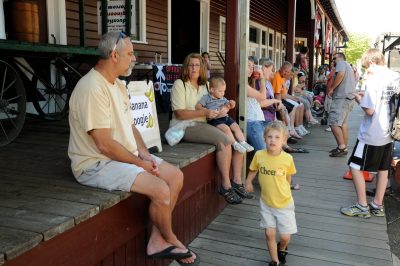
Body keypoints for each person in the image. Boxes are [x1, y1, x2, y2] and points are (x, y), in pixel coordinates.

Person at [68, 32, 199, 265]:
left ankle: (158, 239)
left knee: (176, 177)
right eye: (130, 53)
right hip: (96, 163)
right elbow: (104, 144)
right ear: (114, 55)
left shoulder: (117, 84)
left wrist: (145, 154)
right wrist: (140, 164)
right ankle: (172, 238)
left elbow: (130, 126)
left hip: (122, 157)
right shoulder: (91, 87)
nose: (134, 58)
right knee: (160, 189)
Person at [170, 53, 251, 204]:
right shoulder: (180, 84)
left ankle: (237, 182)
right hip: (185, 126)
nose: (194, 68)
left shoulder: (206, 85)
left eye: (197, 65)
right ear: (186, 67)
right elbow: (179, 113)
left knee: (240, 138)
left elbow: (216, 103)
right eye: (190, 65)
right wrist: (205, 112)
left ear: (202, 68)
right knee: (225, 140)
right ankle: (225, 186)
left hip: (207, 123)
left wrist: (225, 108)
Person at [341, 48, 400, 218]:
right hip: (390, 132)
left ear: (372, 63)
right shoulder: (396, 76)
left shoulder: (374, 79)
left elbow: (369, 110)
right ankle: (377, 204)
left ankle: (362, 206)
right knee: (383, 168)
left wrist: (360, 99)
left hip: (372, 132)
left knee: (354, 166)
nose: (367, 71)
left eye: (367, 67)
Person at [245, 121, 298, 266]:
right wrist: (248, 182)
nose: (272, 140)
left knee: (286, 236)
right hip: (266, 202)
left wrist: (286, 187)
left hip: (284, 203)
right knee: (269, 233)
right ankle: (274, 261)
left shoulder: (287, 159)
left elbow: (288, 177)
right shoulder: (259, 155)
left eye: (277, 137)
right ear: (264, 138)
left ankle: (282, 248)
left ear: (283, 140)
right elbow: (254, 169)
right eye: (269, 137)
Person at [195, 76, 254, 153]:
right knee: (226, 128)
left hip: (226, 117)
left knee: (236, 127)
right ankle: (235, 144)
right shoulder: (206, 98)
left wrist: (232, 103)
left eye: (224, 91)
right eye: (220, 91)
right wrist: (206, 110)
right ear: (212, 90)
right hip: (215, 120)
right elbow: (198, 106)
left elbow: (230, 104)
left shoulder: (222, 98)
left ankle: (243, 142)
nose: (223, 93)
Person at [246, 56, 281, 152]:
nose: (251, 69)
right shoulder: (244, 84)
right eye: (248, 66)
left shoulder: (250, 82)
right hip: (252, 123)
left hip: (260, 121)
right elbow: (262, 97)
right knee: (264, 153)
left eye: (253, 67)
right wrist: (261, 78)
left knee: (275, 148)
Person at [327, 52, 356, 157]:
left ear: (339, 58)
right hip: (348, 98)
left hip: (342, 98)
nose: (333, 61)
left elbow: (341, 74)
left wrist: (332, 89)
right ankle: (343, 146)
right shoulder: (348, 65)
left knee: (333, 122)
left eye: (334, 58)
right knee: (343, 124)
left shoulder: (341, 63)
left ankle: (341, 147)